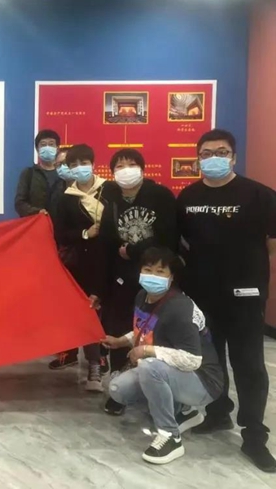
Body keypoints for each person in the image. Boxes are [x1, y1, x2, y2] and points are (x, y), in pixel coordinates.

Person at [177, 129, 276, 472]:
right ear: (198, 159)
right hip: (203, 295)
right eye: (206, 153)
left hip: (245, 296)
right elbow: (184, 243)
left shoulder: (259, 195)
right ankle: (218, 413)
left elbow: (272, 244)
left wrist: (251, 273)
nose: (213, 158)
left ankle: (254, 435)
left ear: (233, 157)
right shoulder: (188, 197)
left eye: (221, 152)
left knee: (249, 364)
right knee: (212, 359)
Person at [103, 247, 223, 465]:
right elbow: (145, 330)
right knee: (118, 389)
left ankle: (170, 436)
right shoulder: (142, 296)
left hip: (203, 381)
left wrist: (148, 351)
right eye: (148, 269)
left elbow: (193, 359)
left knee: (150, 367)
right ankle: (181, 410)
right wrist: (120, 341)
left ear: (171, 276)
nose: (153, 276)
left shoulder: (180, 307)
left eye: (160, 271)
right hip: (173, 370)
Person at [99, 148, 178, 415]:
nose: (126, 170)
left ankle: (160, 388)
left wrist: (134, 250)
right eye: (119, 166)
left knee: (159, 329)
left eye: (131, 164)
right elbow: (107, 243)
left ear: (142, 169)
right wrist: (102, 286)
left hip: (157, 274)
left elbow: (169, 235)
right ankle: (120, 390)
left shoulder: (160, 195)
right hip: (123, 278)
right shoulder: (111, 200)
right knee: (121, 328)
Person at [52, 144, 108, 391]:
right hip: (83, 265)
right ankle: (94, 366)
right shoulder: (66, 198)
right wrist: (86, 233)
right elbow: (61, 235)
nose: (79, 168)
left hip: (113, 262)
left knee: (112, 316)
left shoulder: (110, 190)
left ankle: (117, 364)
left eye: (83, 163)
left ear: (93, 163)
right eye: (73, 165)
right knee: (88, 312)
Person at [15, 129, 66, 221]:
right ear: (37, 149)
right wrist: (36, 212)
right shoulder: (29, 174)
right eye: (43, 145)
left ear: (57, 148)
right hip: (37, 223)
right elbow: (20, 203)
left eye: (51, 144)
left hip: (61, 225)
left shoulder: (64, 173)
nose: (47, 147)